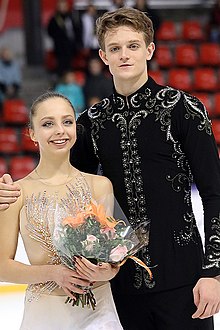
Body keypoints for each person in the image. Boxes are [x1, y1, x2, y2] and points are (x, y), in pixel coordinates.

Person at [1, 7, 220, 330]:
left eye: (132, 46)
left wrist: (212, 272)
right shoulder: (91, 123)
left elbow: (215, 193)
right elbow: (64, 185)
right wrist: (11, 190)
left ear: (149, 50)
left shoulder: (183, 110)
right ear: (103, 55)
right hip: (119, 289)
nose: (124, 55)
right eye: (115, 48)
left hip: (185, 281)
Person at [0, 91, 123, 329]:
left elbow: (113, 259)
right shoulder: (16, 193)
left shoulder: (100, 185)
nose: (60, 130)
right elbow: (2, 268)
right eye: (48, 124)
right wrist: (55, 273)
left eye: (67, 121)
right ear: (32, 133)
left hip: (99, 313)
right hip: (45, 316)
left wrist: (106, 272)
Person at [47, 0, 82, 76]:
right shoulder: (54, 19)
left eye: (64, 6)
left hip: (72, 47)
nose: (63, 8)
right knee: (62, 66)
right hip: (60, 48)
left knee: (72, 66)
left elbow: (77, 30)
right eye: (61, 7)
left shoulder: (72, 17)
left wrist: (78, 43)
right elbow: (50, 32)